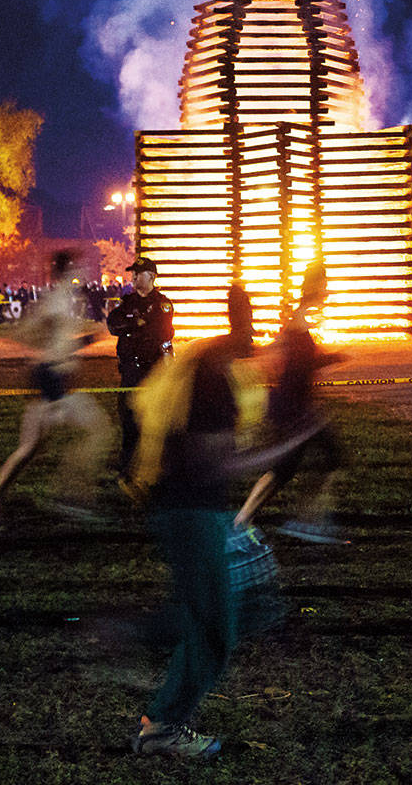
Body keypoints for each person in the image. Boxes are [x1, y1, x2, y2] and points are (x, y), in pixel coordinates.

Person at [126, 285, 299, 760]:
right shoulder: (216, 376)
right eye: (256, 332)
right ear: (243, 329)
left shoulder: (208, 363)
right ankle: (162, 725)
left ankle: (156, 700)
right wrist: (288, 446)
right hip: (191, 511)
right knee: (216, 628)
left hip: (191, 509)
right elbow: (216, 464)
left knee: (210, 614)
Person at [0, 251, 111, 524]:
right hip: (54, 383)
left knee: (28, 448)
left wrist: (47, 345)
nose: (84, 270)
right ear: (69, 270)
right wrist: (96, 335)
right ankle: (69, 496)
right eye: (79, 266)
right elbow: (56, 346)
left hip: (45, 378)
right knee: (99, 431)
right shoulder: (59, 301)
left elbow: (27, 335)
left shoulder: (57, 299)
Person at [233, 262, 347, 543]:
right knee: (284, 470)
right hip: (293, 410)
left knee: (325, 460)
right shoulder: (300, 317)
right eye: (325, 284)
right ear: (314, 286)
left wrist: (329, 357)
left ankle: (304, 519)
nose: (328, 290)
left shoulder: (303, 317)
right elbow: (298, 365)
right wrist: (331, 358)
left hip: (299, 408)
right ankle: (247, 521)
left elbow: (296, 360)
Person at [106, 256, 173, 483]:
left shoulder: (163, 304)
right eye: (132, 273)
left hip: (152, 371)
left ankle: (158, 471)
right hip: (129, 372)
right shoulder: (127, 302)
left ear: (152, 277)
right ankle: (127, 471)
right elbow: (113, 324)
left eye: (138, 273)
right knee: (128, 421)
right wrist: (136, 323)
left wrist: (133, 325)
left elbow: (159, 333)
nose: (133, 277)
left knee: (154, 424)